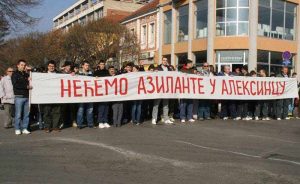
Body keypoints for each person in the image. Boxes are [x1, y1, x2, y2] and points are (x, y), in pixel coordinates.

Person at [151, 57, 174, 125]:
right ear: (161, 61)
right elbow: (152, 75)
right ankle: (154, 118)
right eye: (164, 60)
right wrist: (154, 72)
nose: (165, 61)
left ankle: (166, 118)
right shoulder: (157, 68)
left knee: (166, 105)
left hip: (166, 89)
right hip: (159, 89)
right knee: (156, 104)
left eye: (166, 60)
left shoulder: (169, 69)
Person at [11, 59, 31, 135]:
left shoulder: (27, 74)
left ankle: (24, 128)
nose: (23, 66)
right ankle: (17, 128)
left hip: (27, 96)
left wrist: (29, 72)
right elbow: (15, 85)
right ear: (18, 65)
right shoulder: (15, 74)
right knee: (18, 114)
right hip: (19, 96)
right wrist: (26, 86)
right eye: (22, 65)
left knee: (26, 114)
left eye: (24, 65)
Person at [43, 61, 62, 133]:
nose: (51, 67)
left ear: (55, 67)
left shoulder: (59, 75)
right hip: (47, 97)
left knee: (57, 112)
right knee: (47, 112)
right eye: (50, 66)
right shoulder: (43, 75)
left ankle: (55, 127)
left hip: (56, 96)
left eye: (53, 66)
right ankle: (47, 127)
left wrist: (72, 74)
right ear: (47, 67)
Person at [76, 61, 94, 129]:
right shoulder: (78, 73)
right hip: (81, 94)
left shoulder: (91, 73)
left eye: (88, 65)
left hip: (89, 94)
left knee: (90, 109)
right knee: (81, 109)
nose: (87, 66)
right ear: (82, 66)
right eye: (86, 65)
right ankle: (80, 124)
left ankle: (90, 123)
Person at [94, 60, 110, 129]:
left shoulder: (106, 72)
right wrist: (95, 78)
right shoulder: (96, 72)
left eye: (103, 64)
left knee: (106, 107)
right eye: (101, 64)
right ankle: (100, 121)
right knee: (101, 107)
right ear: (99, 65)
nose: (102, 65)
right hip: (100, 92)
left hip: (106, 92)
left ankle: (105, 121)